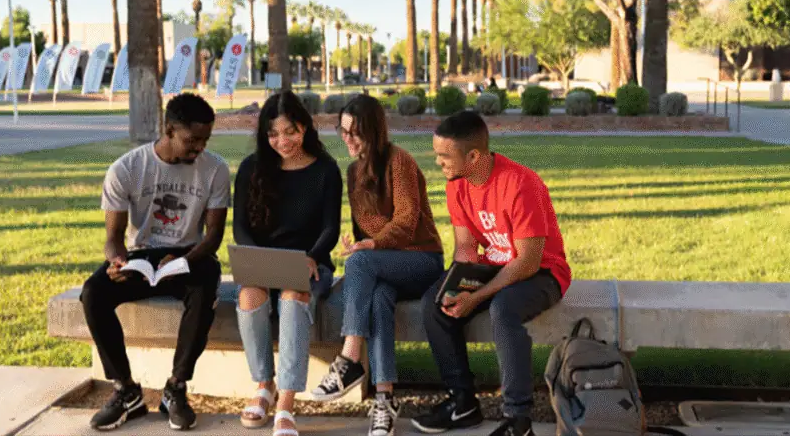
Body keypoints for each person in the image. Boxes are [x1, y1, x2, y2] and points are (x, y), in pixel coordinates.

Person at [413, 111, 572, 436]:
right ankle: (462, 403)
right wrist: (458, 287)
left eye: (445, 156)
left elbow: (528, 261)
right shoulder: (457, 185)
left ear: (473, 156)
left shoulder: (521, 184)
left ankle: (518, 419)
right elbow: (465, 247)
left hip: (542, 273)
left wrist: (477, 297)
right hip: (495, 266)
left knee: (503, 309)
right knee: (436, 303)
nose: (438, 162)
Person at [81, 93, 230, 431]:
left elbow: (213, 236)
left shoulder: (215, 169)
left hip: (190, 256)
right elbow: (113, 237)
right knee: (93, 293)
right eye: (192, 140)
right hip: (140, 257)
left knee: (205, 286)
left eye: (205, 140)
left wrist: (183, 260)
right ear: (169, 129)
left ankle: (176, 388)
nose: (199, 148)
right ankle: (125, 390)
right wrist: (117, 261)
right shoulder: (126, 169)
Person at [310, 95, 444, 436]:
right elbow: (365, 229)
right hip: (382, 265)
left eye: (355, 133)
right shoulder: (354, 171)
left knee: (361, 263)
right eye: (343, 131)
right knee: (379, 297)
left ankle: (349, 358)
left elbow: (407, 221)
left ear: (374, 131)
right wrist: (361, 245)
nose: (348, 139)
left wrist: (371, 246)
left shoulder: (399, 161)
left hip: (422, 259)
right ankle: (384, 398)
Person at [234, 92, 342, 434]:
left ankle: (286, 402)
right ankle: (264, 385)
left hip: (310, 263)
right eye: (273, 134)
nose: (282, 141)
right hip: (264, 264)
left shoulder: (325, 169)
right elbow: (240, 228)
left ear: (304, 127)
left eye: (290, 132)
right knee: (249, 295)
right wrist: (255, 260)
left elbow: (331, 228)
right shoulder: (251, 168)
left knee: (294, 297)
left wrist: (312, 257)